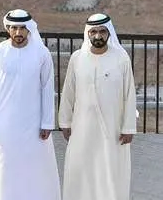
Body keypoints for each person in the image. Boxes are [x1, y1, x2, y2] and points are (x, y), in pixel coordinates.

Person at [0, 9, 61, 200]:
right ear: (8, 29)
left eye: (22, 28)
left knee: (37, 167)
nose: (18, 33)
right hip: (5, 124)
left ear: (29, 29)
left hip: (34, 124)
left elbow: (47, 88)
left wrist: (47, 123)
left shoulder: (42, 54)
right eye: (14, 28)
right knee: (6, 167)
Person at [58, 13, 137, 200]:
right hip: (82, 127)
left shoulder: (121, 58)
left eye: (102, 31)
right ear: (88, 34)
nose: (98, 36)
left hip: (112, 128)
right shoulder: (77, 58)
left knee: (109, 170)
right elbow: (68, 92)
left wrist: (128, 127)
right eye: (93, 31)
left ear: (109, 33)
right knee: (81, 169)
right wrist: (65, 122)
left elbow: (129, 94)